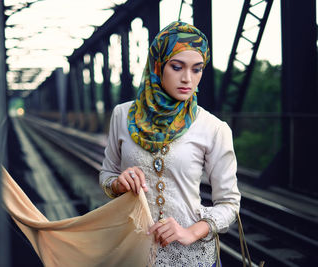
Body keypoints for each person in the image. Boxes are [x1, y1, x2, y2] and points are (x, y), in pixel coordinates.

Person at [100, 21, 241, 266]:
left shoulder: (213, 128)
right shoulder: (122, 116)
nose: (187, 78)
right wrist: (118, 183)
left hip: (191, 257)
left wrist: (191, 232)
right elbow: (107, 174)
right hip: (132, 251)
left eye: (197, 69)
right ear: (158, 65)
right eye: (177, 67)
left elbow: (230, 204)